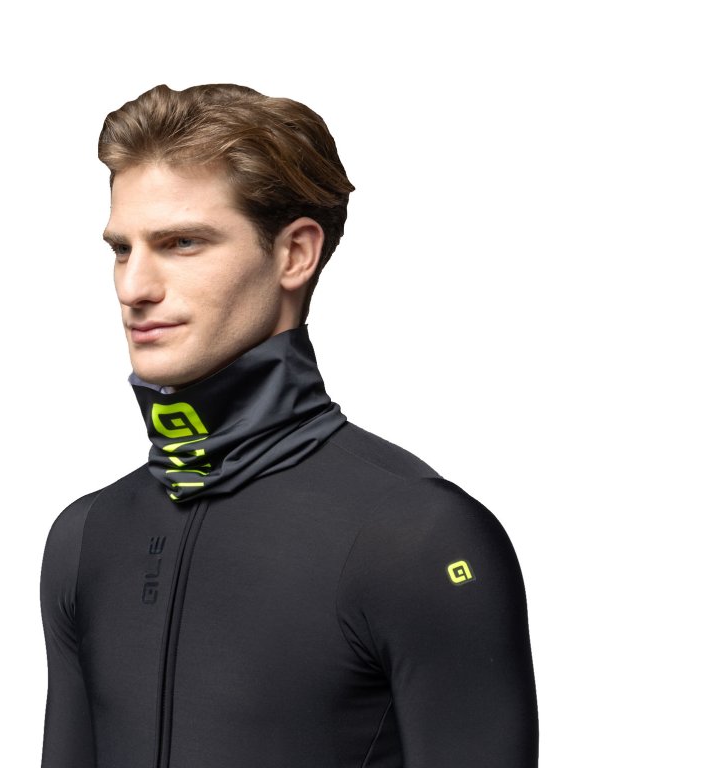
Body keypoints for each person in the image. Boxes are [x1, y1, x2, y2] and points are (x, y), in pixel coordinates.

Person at [40, 83, 538, 768]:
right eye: (122, 249)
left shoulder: (419, 538)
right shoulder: (86, 537)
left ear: (295, 254)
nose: (134, 287)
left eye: (181, 243)